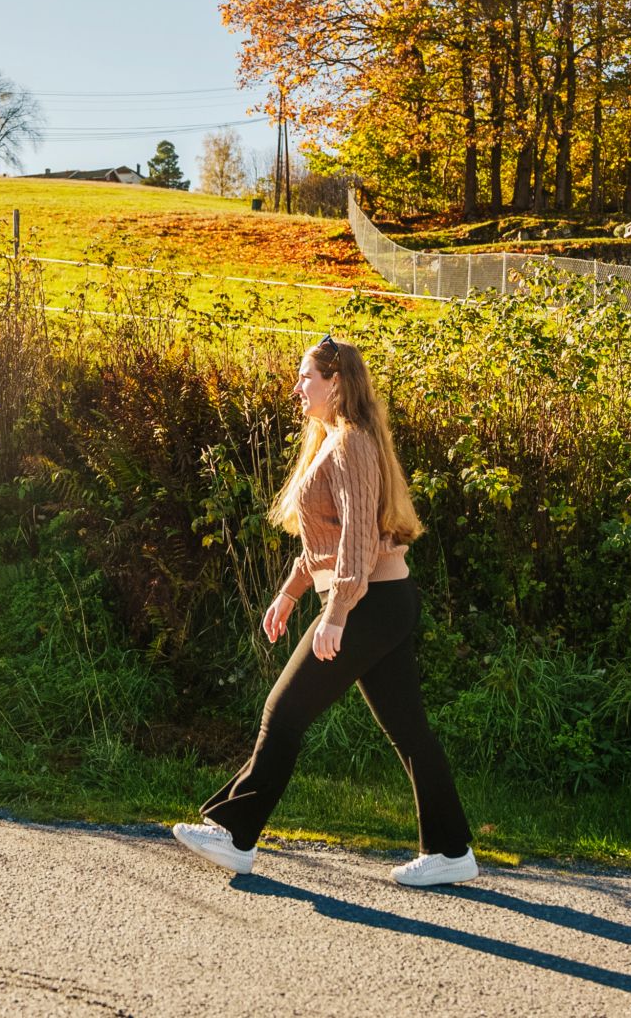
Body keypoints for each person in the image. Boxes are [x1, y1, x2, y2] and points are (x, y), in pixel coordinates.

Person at [173, 334, 478, 887]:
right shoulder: (337, 441)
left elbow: (359, 542)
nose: (297, 389)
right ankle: (451, 850)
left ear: (336, 383)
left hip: (367, 602)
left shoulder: (352, 445)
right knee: (409, 729)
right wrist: (291, 592)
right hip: (378, 600)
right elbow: (326, 540)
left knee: (283, 711)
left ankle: (236, 836)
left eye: (306, 378)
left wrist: (336, 613)